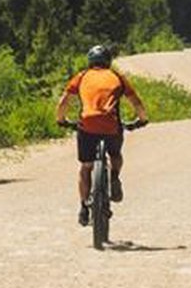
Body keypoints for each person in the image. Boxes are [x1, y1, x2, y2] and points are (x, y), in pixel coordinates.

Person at [55, 44, 146, 227]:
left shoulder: (81, 77)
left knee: (86, 167)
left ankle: (83, 206)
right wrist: (142, 119)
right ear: (108, 61)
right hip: (111, 126)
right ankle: (113, 177)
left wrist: (61, 120)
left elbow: (64, 101)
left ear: (90, 61)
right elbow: (135, 100)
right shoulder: (116, 77)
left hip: (87, 126)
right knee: (115, 154)